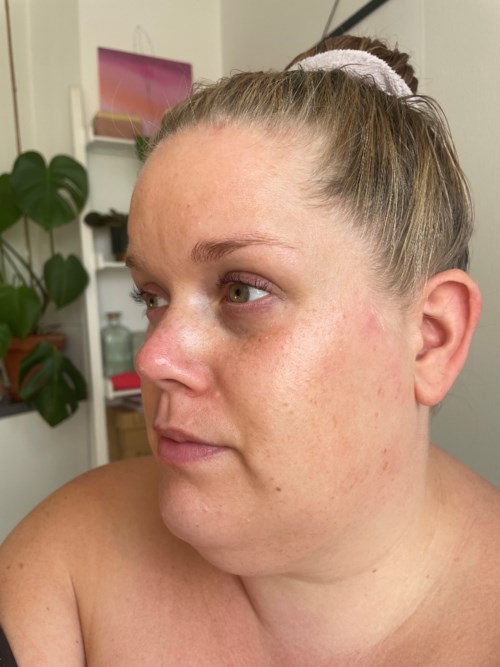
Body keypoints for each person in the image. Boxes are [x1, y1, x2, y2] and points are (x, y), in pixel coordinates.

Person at [1, 34, 499, 666]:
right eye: (152, 297)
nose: (152, 360)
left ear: (430, 338)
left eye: (242, 290)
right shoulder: (69, 565)